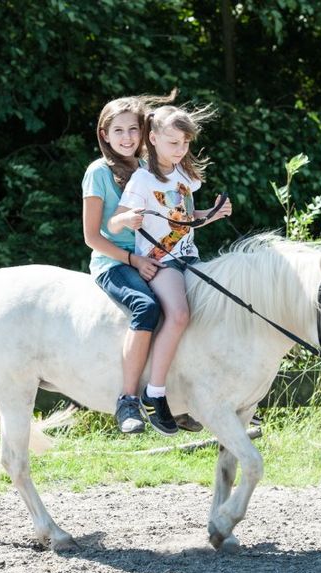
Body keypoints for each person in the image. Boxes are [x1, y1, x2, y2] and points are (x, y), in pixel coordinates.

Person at [83, 91, 205, 436]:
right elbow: (93, 237)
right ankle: (127, 399)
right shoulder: (98, 173)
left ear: (144, 133)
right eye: (118, 131)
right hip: (115, 260)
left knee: (187, 309)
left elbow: (175, 213)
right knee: (146, 306)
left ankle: (174, 397)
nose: (127, 138)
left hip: (156, 256)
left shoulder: (148, 170)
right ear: (104, 134)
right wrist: (132, 260)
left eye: (133, 130)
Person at [109, 103, 232, 435]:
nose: (181, 150)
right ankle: (155, 392)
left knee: (218, 312)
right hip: (162, 263)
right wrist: (128, 219)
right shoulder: (142, 179)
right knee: (178, 315)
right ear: (153, 138)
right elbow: (115, 221)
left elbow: (184, 221)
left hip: (189, 257)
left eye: (186, 143)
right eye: (174, 143)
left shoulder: (185, 177)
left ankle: (222, 395)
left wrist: (213, 213)